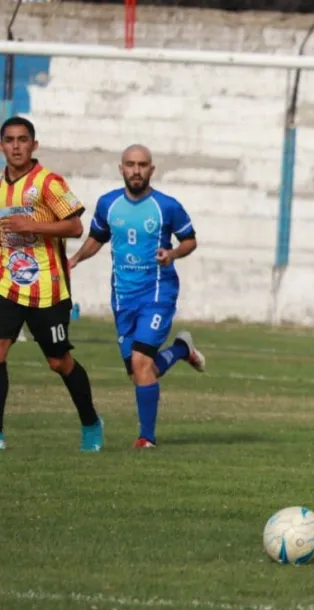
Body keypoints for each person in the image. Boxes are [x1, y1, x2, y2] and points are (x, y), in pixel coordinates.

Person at [69, 145, 205, 449]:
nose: (136, 170)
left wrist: (172, 253)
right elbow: (97, 237)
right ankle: (181, 349)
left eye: (142, 165)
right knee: (140, 372)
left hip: (157, 292)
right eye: (130, 164)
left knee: (142, 362)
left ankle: (147, 438)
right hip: (123, 297)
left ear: (151, 170)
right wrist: (75, 259)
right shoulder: (108, 204)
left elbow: (190, 240)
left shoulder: (166, 206)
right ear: (121, 169)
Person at [0, 116, 104, 452]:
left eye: (22, 139)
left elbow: (75, 227)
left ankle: (90, 422)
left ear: (34, 145)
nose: (16, 146)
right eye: (10, 140)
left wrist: (33, 226)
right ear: (2, 146)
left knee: (58, 362)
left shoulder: (48, 182)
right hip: (7, 286)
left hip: (49, 288)